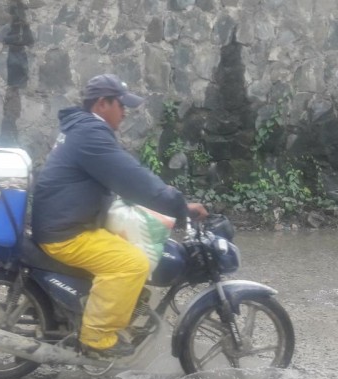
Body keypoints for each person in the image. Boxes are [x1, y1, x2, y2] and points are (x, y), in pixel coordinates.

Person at [31, 74, 207, 359]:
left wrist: (165, 201)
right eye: (121, 105)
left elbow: (120, 177)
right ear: (102, 104)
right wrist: (177, 204)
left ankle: (112, 311)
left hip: (67, 219)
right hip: (66, 231)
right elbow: (131, 178)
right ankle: (96, 337)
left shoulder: (82, 128)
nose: (125, 112)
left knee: (129, 249)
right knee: (132, 263)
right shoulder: (90, 134)